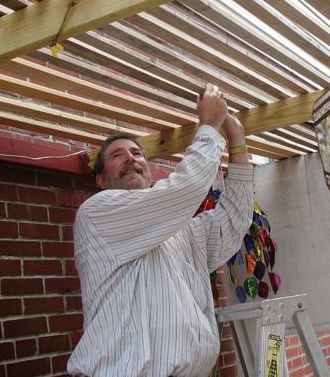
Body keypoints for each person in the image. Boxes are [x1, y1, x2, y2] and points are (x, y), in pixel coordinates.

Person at [67, 83, 253, 377]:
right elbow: (185, 188)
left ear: (149, 170)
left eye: (137, 153)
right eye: (117, 155)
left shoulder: (182, 231)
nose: (130, 158)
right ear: (100, 180)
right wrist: (208, 127)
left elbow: (235, 219)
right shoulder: (97, 213)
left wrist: (239, 144)